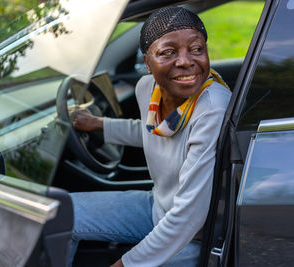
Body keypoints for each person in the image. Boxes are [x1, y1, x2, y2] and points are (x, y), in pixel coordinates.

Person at [70, 6, 232, 267]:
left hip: (195, 237)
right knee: (61, 213)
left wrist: (125, 264)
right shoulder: (147, 88)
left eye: (196, 49)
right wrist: (99, 124)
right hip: (157, 207)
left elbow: (189, 217)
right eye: (168, 52)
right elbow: (154, 130)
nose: (186, 61)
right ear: (147, 62)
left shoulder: (212, 108)